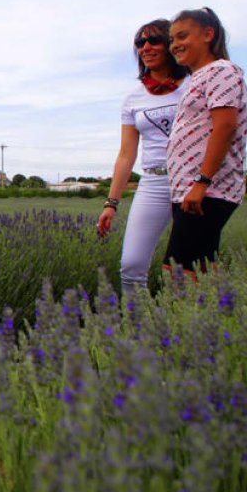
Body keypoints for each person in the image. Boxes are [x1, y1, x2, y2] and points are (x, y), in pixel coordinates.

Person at [97, 19, 189, 295]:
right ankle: (137, 332)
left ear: (172, 45)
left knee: (185, 269)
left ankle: (191, 331)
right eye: (140, 43)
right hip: (154, 182)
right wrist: (111, 203)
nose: (145, 47)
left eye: (154, 40)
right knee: (131, 265)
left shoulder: (194, 85)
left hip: (192, 182)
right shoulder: (133, 99)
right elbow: (126, 155)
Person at [162, 7, 247, 281]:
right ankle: (213, 320)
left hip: (207, 190)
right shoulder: (196, 78)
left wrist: (202, 182)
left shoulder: (221, 71)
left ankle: (186, 323)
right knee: (201, 270)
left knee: (178, 272)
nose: (175, 45)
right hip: (193, 189)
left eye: (182, 36)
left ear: (208, 34)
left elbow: (225, 126)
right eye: (172, 40)